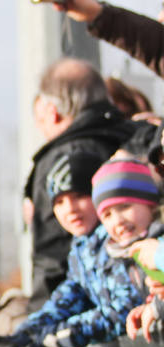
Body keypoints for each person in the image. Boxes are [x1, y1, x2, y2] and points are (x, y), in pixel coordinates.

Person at [6, 157, 159, 347]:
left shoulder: (128, 245)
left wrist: (59, 337)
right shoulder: (81, 251)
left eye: (79, 196)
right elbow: (68, 297)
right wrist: (27, 333)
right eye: (59, 202)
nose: (70, 209)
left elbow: (125, 307)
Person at [23, 57, 139, 309]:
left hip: (95, 316)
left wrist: (41, 322)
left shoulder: (56, 161)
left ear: (53, 112)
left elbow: (52, 259)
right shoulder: (141, 137)